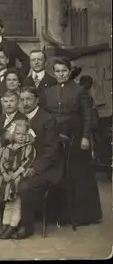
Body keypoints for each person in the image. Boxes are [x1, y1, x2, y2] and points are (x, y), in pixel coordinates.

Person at [40, 57, 102, 228]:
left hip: (75, 138)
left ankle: (82, 215)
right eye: (58, 71)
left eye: (64, 71)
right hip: (55, 137)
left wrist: (85, 137)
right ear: (54, 72)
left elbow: (87, 116)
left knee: (77, 175)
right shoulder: (49, 91)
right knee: (58, 173)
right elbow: (45, 115)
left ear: (69, 71)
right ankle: (58, 214)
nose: (61, 74)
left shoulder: (80, 90)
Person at [3, 86, 60, 240]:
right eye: (22, 99)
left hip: (46, 168)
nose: (25, 103)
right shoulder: (18, 118)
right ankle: (8, 223)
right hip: (22, 165)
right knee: (5, 179)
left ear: (37, 100)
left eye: (29, 99)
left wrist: (35, 167)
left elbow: (52, 151)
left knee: (24, 185)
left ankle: (26, 227)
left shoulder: (47, 119)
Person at [0, 119, 37, 239]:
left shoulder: (28, 148)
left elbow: (28, 162)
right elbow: (2, 162)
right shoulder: (7, 148)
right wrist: (4, 173)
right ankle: (5, 226)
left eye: (24, 134)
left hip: (19, 176)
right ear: (12, 134)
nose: (21, 137)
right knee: (8, 203)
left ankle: (12, 226)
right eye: (18, 134)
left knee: (17, 203)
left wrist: (16, 174)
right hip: (8, 177)